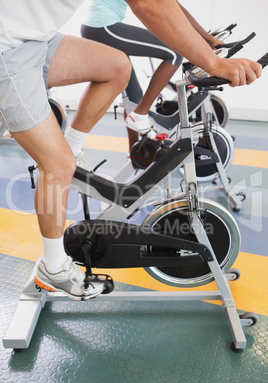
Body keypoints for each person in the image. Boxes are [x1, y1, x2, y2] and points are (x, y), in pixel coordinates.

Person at [0, 0, 262, 302]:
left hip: (36, 41)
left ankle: (72, 151)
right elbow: (148, 4)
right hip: (7, 50)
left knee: (116, 66)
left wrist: (204, 43)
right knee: (56, 166)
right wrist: (213, 62)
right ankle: (53, 268)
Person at [79, 0, 225, 150]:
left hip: (99, 26)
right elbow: (165, 12)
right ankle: (140, 115)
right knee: (174, 54)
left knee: (134, 97)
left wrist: (208, 39)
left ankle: (134, 152)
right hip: (103, 27)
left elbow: (175, 9)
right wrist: (207, 40)